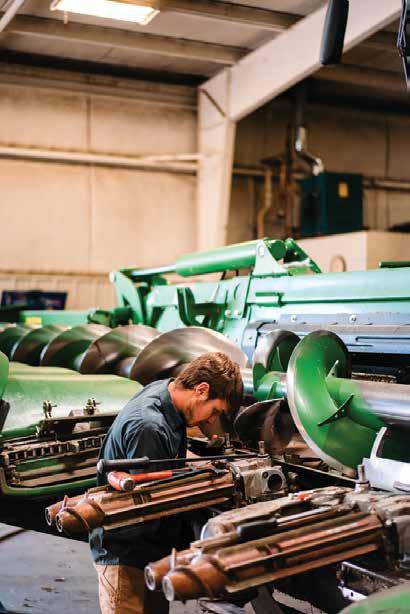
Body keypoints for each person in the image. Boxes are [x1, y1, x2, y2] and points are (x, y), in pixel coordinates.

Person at [90, 351, 244, 614]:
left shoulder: (166, 391)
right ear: (201, 390)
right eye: (215, 411)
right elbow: (153, 502)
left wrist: (208, 465)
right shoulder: (149, 426)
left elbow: (166, 462)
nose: (212, 420)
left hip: (151, 549)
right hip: (127, 553)